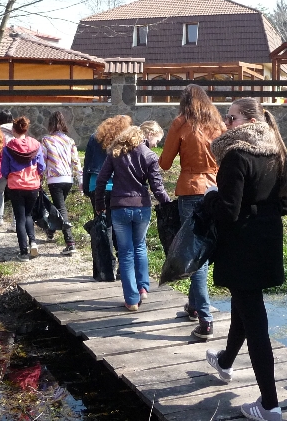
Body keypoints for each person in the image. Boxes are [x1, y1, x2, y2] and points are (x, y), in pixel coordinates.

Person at [201, 98, 287, 421]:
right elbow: (284, 205)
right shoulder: (277, 152)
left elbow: (228, 211)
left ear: (250, 121)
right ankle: (226, 361)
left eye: (232, 118)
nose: (227, 124)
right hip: (267, 243)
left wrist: (210, 198)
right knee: (245, 305)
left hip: (241, 246)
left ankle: (270, 404)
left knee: (255, 323)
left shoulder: (237, 155)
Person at [159, 84, 225, 340]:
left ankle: (206, 319)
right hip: (215, 190)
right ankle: (194, 306)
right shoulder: (218, 124)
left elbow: (165, 163)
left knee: (195, 254)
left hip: (190, 189)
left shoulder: (181, 123)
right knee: (206, 248)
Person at [95, 126, 170, 311]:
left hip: (119, 207)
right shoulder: (149, 155)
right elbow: (157, 187)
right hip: (142, 207)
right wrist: (168, 205)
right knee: (140, 246)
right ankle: (143, 287)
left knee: (126, 252)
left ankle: (131, 300)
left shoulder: (115, 153)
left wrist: (99, 205)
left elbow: (101, 180)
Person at [1, 116, 45, 261]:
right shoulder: (36, 145)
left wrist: (9, 176)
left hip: (16, 186)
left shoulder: (8, 147)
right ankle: (33, 242)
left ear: (13, 130)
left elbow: (4, 170)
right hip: (33, 185)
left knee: (20, 218)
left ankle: (24, 252)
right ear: (26, 129)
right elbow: (41, 166)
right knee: (28, 215)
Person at [41, 111, 82, 256]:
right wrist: (80, 179)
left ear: (50, 124)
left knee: (61, 208)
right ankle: (51, 230)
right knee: (59, 206)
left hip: (54, 179)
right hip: (68, 179)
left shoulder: (46, 140)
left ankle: (70, 242)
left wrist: (40, 178)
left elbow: (43, 161)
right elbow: (76, 161)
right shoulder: (70, 140)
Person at [82, 115, 132, 214]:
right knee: (116, 221)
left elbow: (87, 163)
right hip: (118, 187)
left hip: (95, 185)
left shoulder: (95, 138)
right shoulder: (124, 140)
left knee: (100, 219)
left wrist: (85, 186)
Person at [0, 109, 14, 226]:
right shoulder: (17, 131)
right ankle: (15, 223)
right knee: (16, 194)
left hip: (1, 167)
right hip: (16, 168)